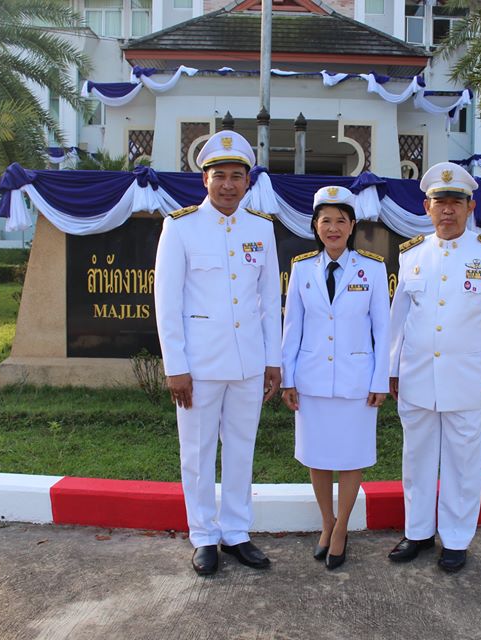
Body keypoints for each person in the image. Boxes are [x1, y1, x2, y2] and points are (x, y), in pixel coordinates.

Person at [154, 131, 282, 576]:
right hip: (200, 365)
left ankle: (237, 532)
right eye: (220, 176)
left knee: (242, 450)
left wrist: (272, 359)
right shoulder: (181, 227)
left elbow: (269, 300)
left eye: (237, 176)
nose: (228, 185)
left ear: (248, 181)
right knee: (198, 452)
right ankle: (204, 536)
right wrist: (176, 367)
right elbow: (167, 303)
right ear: (204, 180)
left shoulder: (261, 228)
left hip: (248, 363)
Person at [387, 161, 481, 574]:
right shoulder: (412, 254)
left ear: (470, 207)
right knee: (417, 459)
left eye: (456, 202)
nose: (447, 210)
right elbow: (398, 319)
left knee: (463, 463)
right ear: (427, 207)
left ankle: (457, 539)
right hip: (416, 377)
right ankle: (417, 532)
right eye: (439, 202)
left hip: (467, 381)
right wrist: (391, 368)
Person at [280, 186, 390, 570]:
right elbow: (292, 327)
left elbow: (383, 329)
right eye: (325, 220)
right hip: (311, 379)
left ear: (352, 225)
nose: (333, 228)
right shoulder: (302, 268)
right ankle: (326, 523)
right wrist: (288, 378)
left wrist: (380, 381)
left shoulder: (372, 269)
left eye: (341, 220)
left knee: (351, 457)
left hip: (356, 380)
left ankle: (341, 529)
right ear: (315, 225)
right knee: (318, 456)